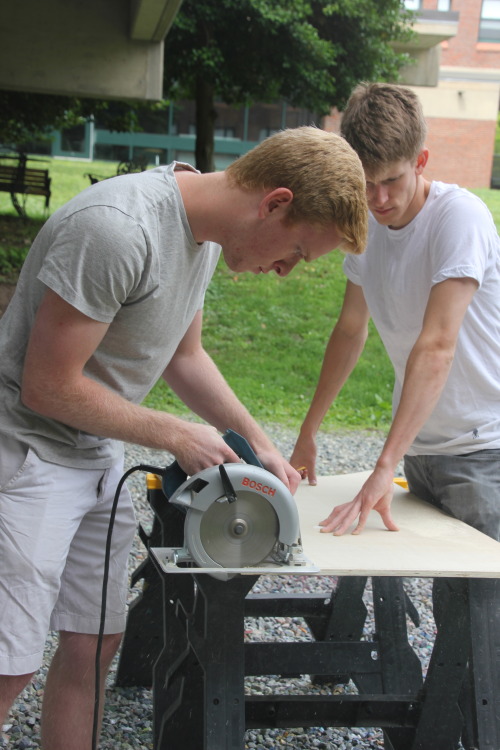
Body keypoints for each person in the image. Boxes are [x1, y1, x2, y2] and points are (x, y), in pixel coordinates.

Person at [0, 126, 367, 749]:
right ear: (275, 203)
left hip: (97, 456)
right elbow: (47, 385)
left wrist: (260, 442)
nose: (284, 272)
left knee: (94, 645)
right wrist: (175, 433)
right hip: (27, 455)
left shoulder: (201, 235)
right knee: (10, 662)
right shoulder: (118, 229)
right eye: (299, 251)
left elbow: (185, 356)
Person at [290, 85, 500, 743]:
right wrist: (307, 430)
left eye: (391, 181)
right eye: (366, 183)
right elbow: (349, 331)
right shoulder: (368, 230)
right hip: (430, 453)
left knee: (486, 626)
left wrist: (382, 464)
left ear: (423, 159)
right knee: (457, 619)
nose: (378, 200)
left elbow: (438, 344)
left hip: (486, 449)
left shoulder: (457, 219)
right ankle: (433, 731)